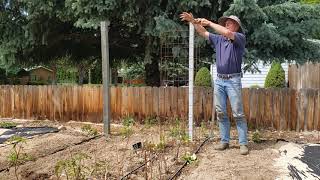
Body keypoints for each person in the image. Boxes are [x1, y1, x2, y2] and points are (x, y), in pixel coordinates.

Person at [180, 12, 248, 155]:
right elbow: (203, 33)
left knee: (238, 113)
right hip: (220, 80)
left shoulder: (239, 38)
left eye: (230, 23)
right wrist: (193, 21)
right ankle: (225, 141)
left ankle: (243, 143)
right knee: (221, 112)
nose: (227, 24)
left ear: (236, 26)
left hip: (233, 80)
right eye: (226, 22)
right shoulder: (218, 40)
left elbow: (227, 33)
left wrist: (210, 23)